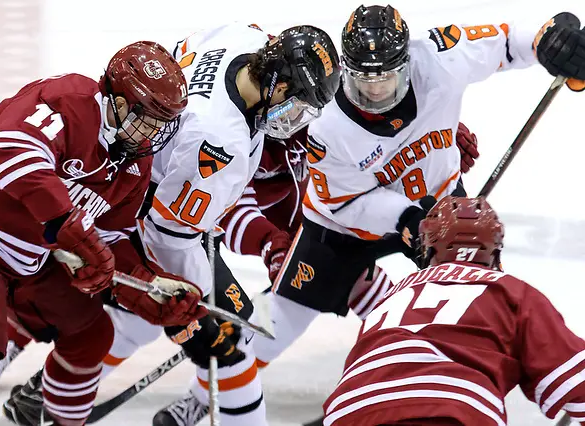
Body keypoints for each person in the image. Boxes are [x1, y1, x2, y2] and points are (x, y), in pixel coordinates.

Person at [0, 22, 341, 426]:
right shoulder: (219, 141)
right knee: (230, 348)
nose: (296, 121)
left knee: (138, 320)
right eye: (299, 105)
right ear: (280, 86)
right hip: (136, 209)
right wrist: (201, 302)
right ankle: (38, 374)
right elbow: (171, 234)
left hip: (128, 176)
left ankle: (48, 391)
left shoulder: (243, 38)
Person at [247, 5, 585, 410]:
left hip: (441, 208)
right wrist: (407, 219)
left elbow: (508, 40)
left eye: (386, 77)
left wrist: (547, 40)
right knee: (280, 317)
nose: (375, 91)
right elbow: (345, 201)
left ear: (407, 62)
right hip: (343, 226)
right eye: (362, 80)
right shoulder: (324, 121)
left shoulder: (441, 57)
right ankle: (213, 392)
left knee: (466, 304)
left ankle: (449, 384)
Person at [0, 41, 208, 426]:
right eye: (146, 118)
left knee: (91, 335)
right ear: (116, 100)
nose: (153, 132)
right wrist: (66, 222)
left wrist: (144, 286)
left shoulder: (136, 163)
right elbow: (8, 149)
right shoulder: (69, 101)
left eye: (162, 122)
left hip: (31, 257)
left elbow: (111, 236)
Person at [324, 195, 585, 425]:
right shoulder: (510, 291)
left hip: (350, 409)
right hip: (452, 408)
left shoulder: (395, 294)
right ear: (494, 252)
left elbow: (364, 290)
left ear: (426, 247)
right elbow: (577, 385)